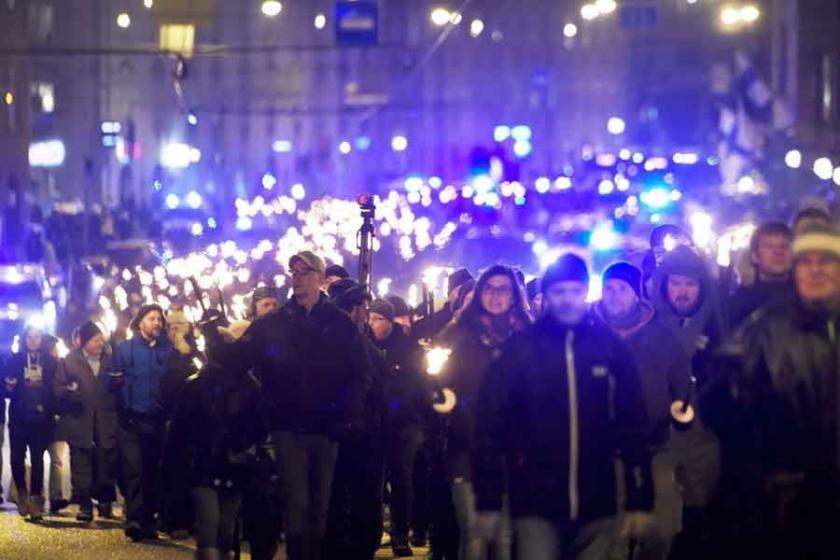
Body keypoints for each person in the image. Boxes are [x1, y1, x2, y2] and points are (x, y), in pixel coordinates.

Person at [474, 254, 653, 560]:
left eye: (574, 291)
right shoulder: (521, 349)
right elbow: (492, 423)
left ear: (584, 291)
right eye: (559, 292)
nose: (567, 300)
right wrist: (489, 499)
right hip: (535, 498)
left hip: (597, 496)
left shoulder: (608, 346)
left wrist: (640, 498)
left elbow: (632, 421)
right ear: (547, 295)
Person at [226, 251, 370, 560]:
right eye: (294, 272)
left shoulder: (339, 324)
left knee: (319, 507)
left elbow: (359, 372)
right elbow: (238, 359)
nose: (298, 277)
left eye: (305, 271)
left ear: (320, 277)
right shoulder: (275, 323)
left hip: (326, 426)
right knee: (297, 504)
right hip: (287, 425)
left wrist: (347, 413)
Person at [722, 223, 840, 559]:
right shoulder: (766, 330)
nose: (816, 270)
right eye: (806, 261)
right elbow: (729, 407)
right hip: (789, 499)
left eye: (826, 260)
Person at [594, 262, 693, 560]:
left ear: (636, 294)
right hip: (600, 450)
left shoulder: (659, 336)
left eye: (622, 288)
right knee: (611, 534)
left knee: (658, 530)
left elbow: (681, 380)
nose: (614, 294)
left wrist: (682, 410)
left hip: (654, 446)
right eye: (609, 287)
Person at [436, 265, 531, 560]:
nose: (496, 296)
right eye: (489, 289)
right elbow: (433, 375)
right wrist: (443, 396)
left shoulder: (527, 337)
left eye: (503, 289)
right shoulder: (460, 332)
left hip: (510, 448)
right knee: (474, 532)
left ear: (515, 296)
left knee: (503, 537)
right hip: (467, 443)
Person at [649, 246, 726, 559]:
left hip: (703, 440)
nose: (682, 292)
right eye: (676, 283)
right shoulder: (648, 326)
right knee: (660, 527)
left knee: (700, 521)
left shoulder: (719, 326)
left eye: (690, 284)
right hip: (660, 442)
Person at [168, 313, 264, 560]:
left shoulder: (249, 388)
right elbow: (180, 433)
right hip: (205, 463)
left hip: (235, 464)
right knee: (209, 523)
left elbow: (257, 425)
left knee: (226, 529)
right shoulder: (196, 386)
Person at [324, 279, 388, 560]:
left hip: (365, 432)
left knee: (360, 497)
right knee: (345, 497)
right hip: (344, 432)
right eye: (361, 307)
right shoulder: (343, 344)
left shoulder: (364, 344)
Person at [369, 298, 430, 557]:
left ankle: (400, 533)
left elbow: (415, 385)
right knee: (374, 480)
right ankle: (371, 532)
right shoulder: (365, 344)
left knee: (401, 478)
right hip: (375, 423)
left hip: (404, 423)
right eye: (370, 318)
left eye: (377, 319)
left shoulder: (406, 347)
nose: (371, 324)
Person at [112, 303, 173, 541]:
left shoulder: (167, 350)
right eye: (152, 318)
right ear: (140, 323)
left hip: (157, 421)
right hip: (131, 421)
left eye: (159, 319)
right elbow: (112, 379)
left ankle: (148, 519)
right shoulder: (125, 349)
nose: (157, 323)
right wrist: (115, 384)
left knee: (151, 471)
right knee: (133, 469)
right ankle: (134, 518)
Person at [54, 321, 119, 522]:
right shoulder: (70, 361)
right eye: (95, 340)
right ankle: (85, 504)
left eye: (101, 339)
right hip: (79, 419)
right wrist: (70, 393)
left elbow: (120, 386)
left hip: (105, 420)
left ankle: (105, 500)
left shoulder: (111, 360)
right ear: (84, 342)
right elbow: (58, 388)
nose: (100, 343)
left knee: (106, 461)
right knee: (80, 463)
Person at [3, 323, 58, 521]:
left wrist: (51, 408)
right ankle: (22, 492)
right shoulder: (15, 360)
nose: (33, 341)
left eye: (37, 336)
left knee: (37, 459)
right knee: (17, 458)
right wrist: (11, 385)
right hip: (19, 415)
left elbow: (55, 388)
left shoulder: (50, 362)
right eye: (30, 337)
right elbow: (6, 386)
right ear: (24, 339)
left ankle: (36, 499)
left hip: (40, 417)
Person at [727, 222, 795, 328]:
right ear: (754, 256)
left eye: (784, 246)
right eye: (769, 246)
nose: (778, 252)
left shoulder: (807, 301)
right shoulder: (737, 305)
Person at [413, 268, 474, 341]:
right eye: (463, 289)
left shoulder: (480, 318)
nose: (467, 294)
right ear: (451, 293)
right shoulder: (431, 322)